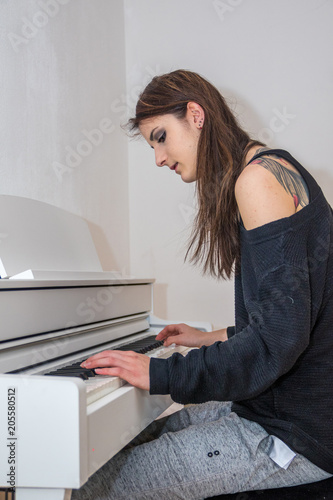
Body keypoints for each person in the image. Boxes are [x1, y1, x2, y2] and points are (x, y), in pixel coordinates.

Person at [72, 70, 333, 499]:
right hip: (270, 408)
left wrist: (160, 371)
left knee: (99, 486)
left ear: (195, 114)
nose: (158, 158)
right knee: (122, 445)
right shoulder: (269, 167)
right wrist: (205, 337)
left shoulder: (258, 181)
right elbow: (289, 316)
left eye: (160, 137)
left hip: (294, 434)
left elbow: (278, 341)